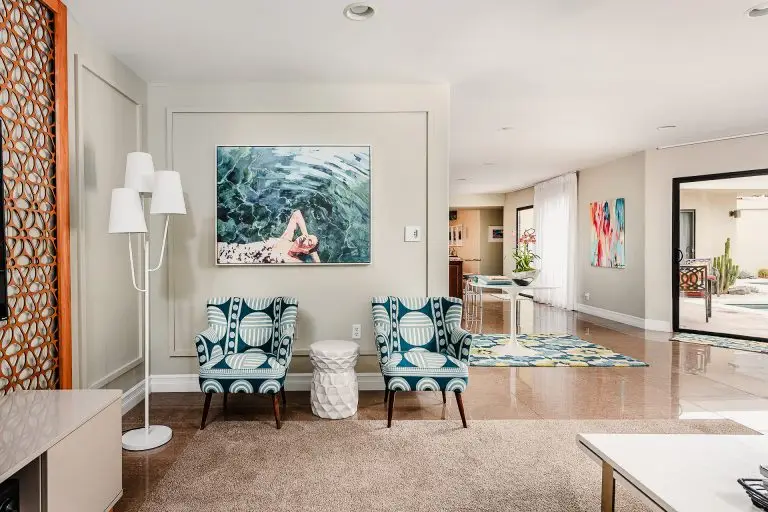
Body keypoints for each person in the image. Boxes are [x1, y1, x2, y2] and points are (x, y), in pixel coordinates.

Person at [217, 210, 321, 264]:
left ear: (307, 251)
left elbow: (316, 271)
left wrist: (313, 253)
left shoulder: (294, 261)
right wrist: (306, 236)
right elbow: (296, 214)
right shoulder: (285, 238)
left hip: (235, 264)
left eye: (309, 241)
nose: (306, 238)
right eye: (307, 237)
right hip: (231, 249)